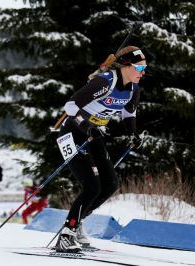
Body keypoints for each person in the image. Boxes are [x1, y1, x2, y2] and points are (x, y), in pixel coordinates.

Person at [55, 46, 147, 253]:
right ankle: (66, 236)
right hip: (71, 133)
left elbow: (128, 114)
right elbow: (70, 107)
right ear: (126, 65)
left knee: (110, 184)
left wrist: (133, 135)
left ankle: (76, 224)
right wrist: (86, 126)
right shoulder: (105, 81)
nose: (143, 72)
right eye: (139, 68)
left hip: (93, 134)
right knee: (92, 186)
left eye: (144, 68)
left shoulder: (133, 88)